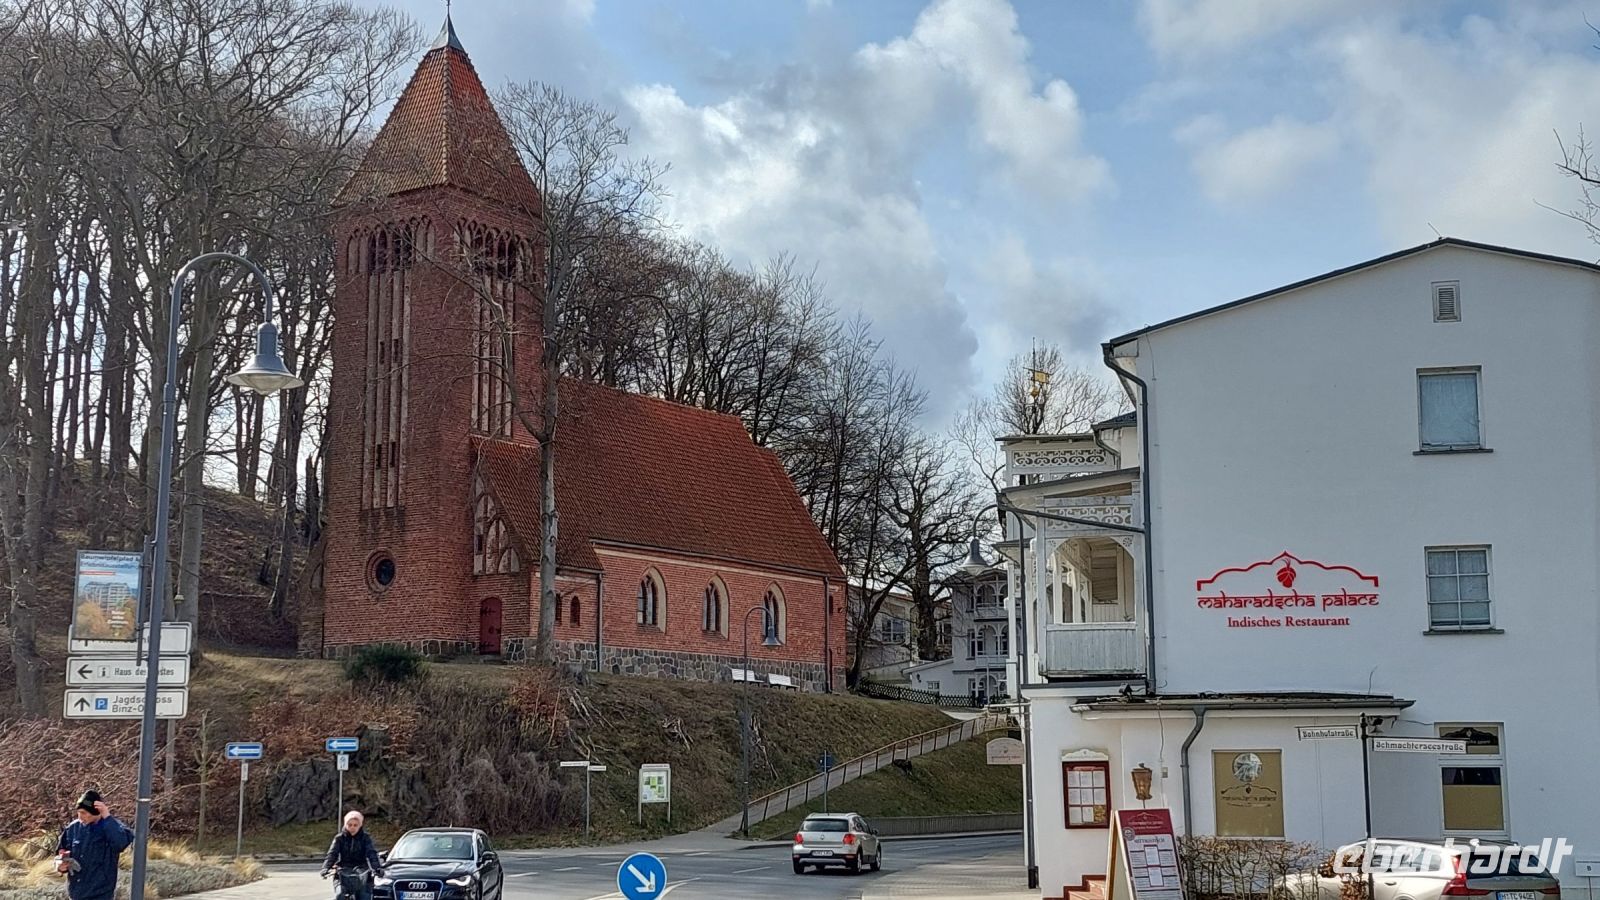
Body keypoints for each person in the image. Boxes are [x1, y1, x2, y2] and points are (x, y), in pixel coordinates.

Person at [55, 790, 134, 900]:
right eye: (78, 812)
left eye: (84, 813)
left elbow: (120, 843)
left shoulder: (113, 827)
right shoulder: (73, 829)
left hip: (101, 894)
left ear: (96, 812)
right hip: (76, 893)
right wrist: (60, 866)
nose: (80, 817)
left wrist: (107, 816)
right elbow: (60, 853)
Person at [322, 811, 383, 900]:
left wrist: (377, 868)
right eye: (349, 825)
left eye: (355, 825)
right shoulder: (339, 838)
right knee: (339, 896)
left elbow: (371, 853)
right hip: (343, 870)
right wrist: (326, 868)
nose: (352, 827)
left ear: (360, 825)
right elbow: (332, 854)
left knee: (365, 897)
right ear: (345, 824)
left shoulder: (366, 838)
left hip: (362, 870)